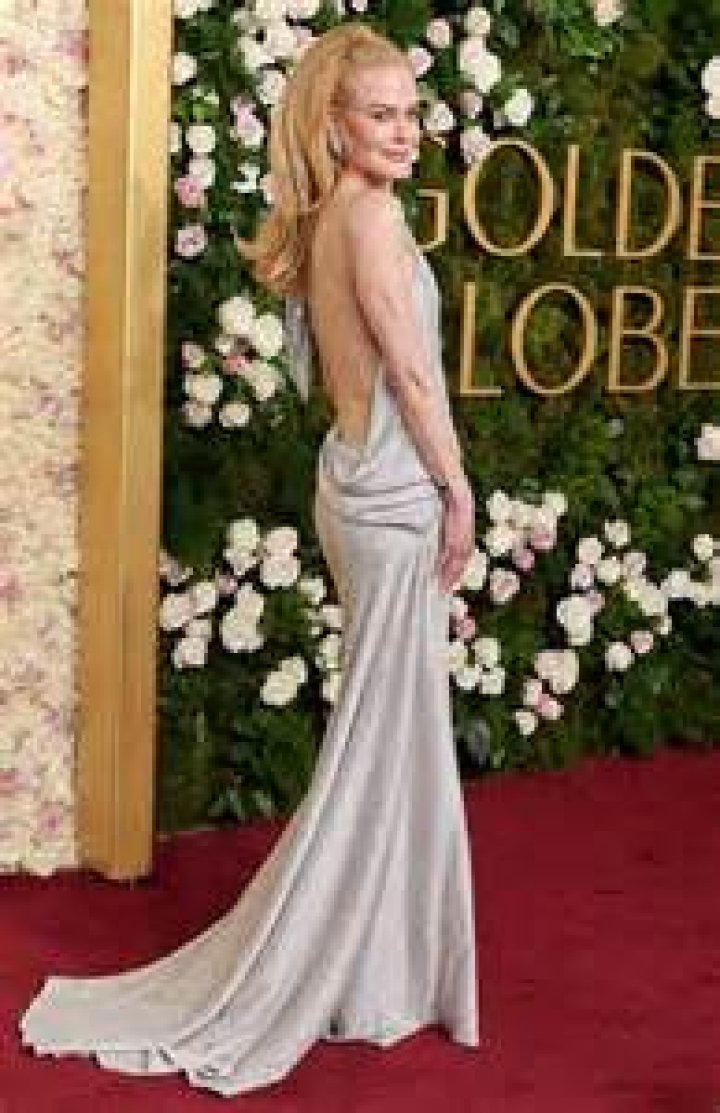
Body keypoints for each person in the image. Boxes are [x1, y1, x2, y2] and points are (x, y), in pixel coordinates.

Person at [18, 21, 480, 1096]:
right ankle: (337, 959)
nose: (405, 131)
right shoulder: (369, 221)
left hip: (354, 483)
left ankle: (377, 963)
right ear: (334, 124)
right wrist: (459, 489)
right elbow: (414, 378)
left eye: (412, 112)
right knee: (383, 742)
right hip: (394, 494)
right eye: (381, 114)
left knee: (391, 736)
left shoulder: (328, 219)